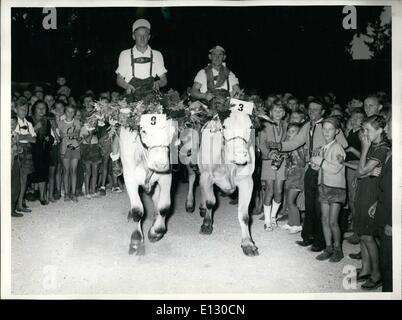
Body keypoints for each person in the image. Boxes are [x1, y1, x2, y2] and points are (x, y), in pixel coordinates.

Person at [268, 99, 348, 252]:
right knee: (310, 204)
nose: (312, 112)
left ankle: (321, 241)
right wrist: (279, 146)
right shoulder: (307, 125)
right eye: (310, 109)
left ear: (323, 112)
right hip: (310, 168)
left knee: (320, 208)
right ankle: (308, 236)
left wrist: (324, 153)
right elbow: (296, 142)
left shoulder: (328, 126)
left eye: (316, 109)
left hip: (323, 170)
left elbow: (343, 144)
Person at [113, 18, 168, 171]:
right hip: (132, 95)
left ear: (149, 36)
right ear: (133, 36)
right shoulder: (125, 54)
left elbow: (164, 79)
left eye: (145, 35)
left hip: (152, 96)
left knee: (168, 123)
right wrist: (127, 85)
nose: (142, 38)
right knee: (120, 125)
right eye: (139, 35)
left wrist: (158, 83)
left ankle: (173, 159)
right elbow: (119, 79)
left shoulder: (157, 54)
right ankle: (116, 159)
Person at [354, 115, 389, 290]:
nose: (364, 133)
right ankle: (366, 269)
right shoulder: (374, 146)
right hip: (363, 191)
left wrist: (364, 147)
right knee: (361, 232)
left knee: (368, 235)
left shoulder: (382, 149)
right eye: (364, 129)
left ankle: (377, 274)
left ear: (381, 130)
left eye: (368, 130)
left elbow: (360, 171)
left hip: (372, 195)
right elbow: (362, 171)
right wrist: (367, 171)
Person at [310, 117, 346, 262]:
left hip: (336, 189)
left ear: (337, 131)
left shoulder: (338, 148)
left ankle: (338, 249)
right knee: (324, 219)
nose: (326, 131)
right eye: (324, 128)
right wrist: (315, 164)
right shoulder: (322, 147)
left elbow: (335, 169)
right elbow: (320, 167)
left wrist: (321, 161)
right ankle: (328, 247)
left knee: (332, 221)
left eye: (330, 129)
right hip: (323, 186)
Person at [370, 115, 392, 292]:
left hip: (392, 218)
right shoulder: (392, 151)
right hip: (383, 204)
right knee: (386, 258)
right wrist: (378, 202)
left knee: (390, 262)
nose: (386, 129)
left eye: (389, 125)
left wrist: (392, 222)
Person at [259, 100, 287, 231]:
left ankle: (274, 216)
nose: (278, 113)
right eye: (275, 110)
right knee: (269, 190)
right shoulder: (264, 125)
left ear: (284, 113)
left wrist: (286, 153)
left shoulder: (286, 125)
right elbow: (262, 144)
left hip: (282, 161)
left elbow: (290, 142)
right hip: (267, 161)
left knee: (279, 191)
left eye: (281, 111)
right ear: (270, 112)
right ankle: (267, 220)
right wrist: (269, 154)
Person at [28, 101, 54, 205]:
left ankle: (42, 197)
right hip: (30, 151)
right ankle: (33, 193)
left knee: (43, 172)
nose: (42, 110)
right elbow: (25, 137)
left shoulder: (46, 121)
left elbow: (48, 137)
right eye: (39, 108)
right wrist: (35, 128)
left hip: (42, 151)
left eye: (43, 108)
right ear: (34, 109)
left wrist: (49, 139)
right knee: (32, 174)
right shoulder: (29, 120)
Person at [281, 123, 305, 234]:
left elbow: (302, 162)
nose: (290, 134)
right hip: (290, 176)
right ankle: (291, 222)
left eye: (293, 131)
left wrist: (294, 152)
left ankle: (297, 224)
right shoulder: (289, 146)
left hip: (297, 176)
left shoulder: (298, 147)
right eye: (289, 131)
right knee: (289, 200)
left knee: (291, 201)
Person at [14, 101, 36, 214]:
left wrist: (24, 136)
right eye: (22, 109)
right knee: (17, 179)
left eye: (26, 109)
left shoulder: (29, 123)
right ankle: (17, 203)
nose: (24, 111)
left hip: (27, 151)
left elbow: (34, 139)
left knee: (24, 179)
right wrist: (27, 136)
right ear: (15, 109)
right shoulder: (13, 122)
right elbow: (15, 138)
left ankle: (20, 203)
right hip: (18, 151)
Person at [57, 105, 82, 202]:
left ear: (74, 113)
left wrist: (67, 135)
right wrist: (69, 135)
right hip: (64, 149)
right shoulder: (60, 122)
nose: (70, 114)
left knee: (74, 170)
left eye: (72, 112)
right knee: (66, 171)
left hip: (75, 148)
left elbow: (76, 134)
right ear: (65, 112)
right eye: (68, 111)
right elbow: (61, 135)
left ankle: (73, 193)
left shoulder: (77, 122)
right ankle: (66, 193)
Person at [80, 124, 102, 199]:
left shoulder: (96, 126)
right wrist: (92, 130)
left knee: (95, 172)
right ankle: (87, 192)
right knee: (88, 172)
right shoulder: (84, 128)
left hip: (95, 148)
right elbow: (88, 140)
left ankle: (93, 191)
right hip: (87, 149)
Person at [11, 112, 23, 217]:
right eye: (9, 123)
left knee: (16, 186)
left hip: (14, 161)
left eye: (14, 123)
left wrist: (19, 148)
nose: (12, 125)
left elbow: (18, 149)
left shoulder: (16, 134)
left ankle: (12, 209)